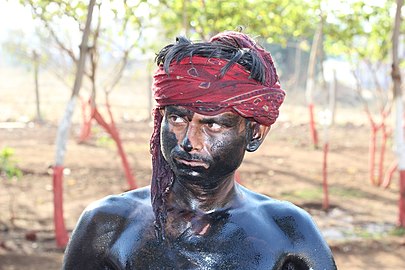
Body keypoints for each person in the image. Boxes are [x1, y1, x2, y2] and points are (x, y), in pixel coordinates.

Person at [63, 31, 337, 270]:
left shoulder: (288, 232)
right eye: (178, 119)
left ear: (255, 134)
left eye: (214, 124)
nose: (188, 141)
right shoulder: (109, 225)